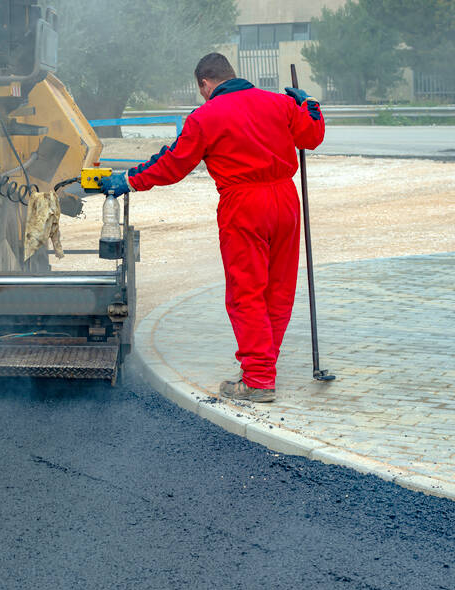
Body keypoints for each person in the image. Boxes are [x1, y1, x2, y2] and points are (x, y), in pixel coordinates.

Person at [100, 53, 325, 403]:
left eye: (200, 90)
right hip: (285, 200)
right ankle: (263, 366)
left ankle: (259, 379)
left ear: (205, 84)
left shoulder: (206, 116)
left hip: (244, 205)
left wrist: (129, 179)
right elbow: (311, 137)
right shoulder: (280, 104)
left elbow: (172, 164)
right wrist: (309, 104)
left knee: (246, 292)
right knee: (277, 290)